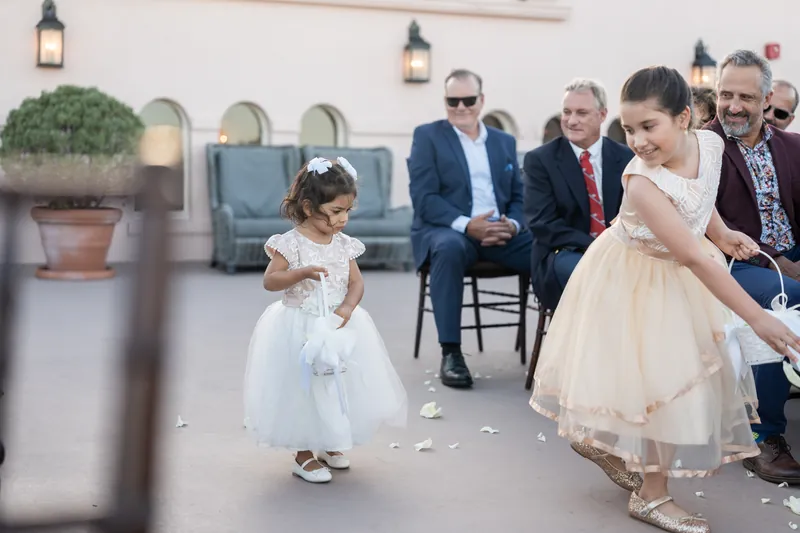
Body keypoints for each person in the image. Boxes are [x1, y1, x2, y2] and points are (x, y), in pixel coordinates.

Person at [530, 65, 800, 533]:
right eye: (629, 129)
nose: (637, 140)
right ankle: (651, 497)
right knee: (664, 383)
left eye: (648, 126)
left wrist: (724, 231)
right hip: (635, 278)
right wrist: (759, 319)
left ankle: (611, 446)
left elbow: (701, 197)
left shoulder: (712, 144)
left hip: (678, 270)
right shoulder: (641, 181)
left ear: (685, 117)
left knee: (679, 376)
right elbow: (696, 259)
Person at [243, 157, 408, 484]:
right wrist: (300, 273)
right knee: (302, 387)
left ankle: (330, 440)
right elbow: (270, 281)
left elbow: (356, 282)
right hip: (299, 326)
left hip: (335, 324)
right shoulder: (290, 243)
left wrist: (346, 309)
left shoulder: (342, 244)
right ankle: (303, 454)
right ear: (308, 207)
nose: (343, 219)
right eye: (336, 212)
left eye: (348, 211)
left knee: (335, 383)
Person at [707, 50, 800, 484]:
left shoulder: (794, 146)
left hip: (792, 256)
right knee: (787, 295)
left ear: (766, 101)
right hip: (732, 264)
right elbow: (700, 222)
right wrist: (777, 260)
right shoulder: (703, 147)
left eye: (746, 96)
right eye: (726, 94)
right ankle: (764, 437)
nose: (733, 106)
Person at [407, 69, 531, 389]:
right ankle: (451, 353)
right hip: (448, 229)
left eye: (468, 100)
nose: (461, 107)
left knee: (546, 248)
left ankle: (563, 346)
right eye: (453, 101)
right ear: (445, 102)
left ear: (482, 101)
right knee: (448, 249)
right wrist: (468, 226)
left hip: (499, 231)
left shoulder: (504, 142)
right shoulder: (427, 137)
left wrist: (513, 225)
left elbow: (519, 196)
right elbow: (424, 199)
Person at [524, 78, 633, 311]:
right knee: (596, 274)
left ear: (602, 115)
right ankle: (594, 344)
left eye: (582, 113)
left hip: (621, 251)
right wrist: (596, 246)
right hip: (563, 253)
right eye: (567, 112)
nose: (571, 121)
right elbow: (542, 224)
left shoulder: (626, 159)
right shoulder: (540, 160)